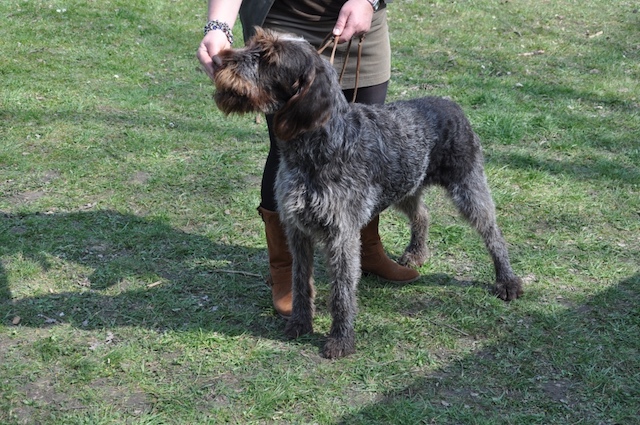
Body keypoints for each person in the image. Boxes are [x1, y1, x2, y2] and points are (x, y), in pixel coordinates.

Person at [197, 0, 419, 319]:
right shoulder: (273, 51)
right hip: (283, 25)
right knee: (289, 152)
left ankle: (367, 249)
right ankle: (285, 269)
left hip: (360, 19)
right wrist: (218, 26)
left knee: (363, 151)